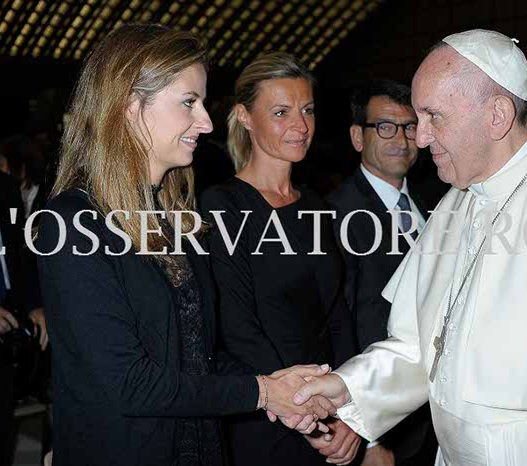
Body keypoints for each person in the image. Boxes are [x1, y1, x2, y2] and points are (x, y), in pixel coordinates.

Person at [293, 29, 527, 465]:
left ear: (497, 115)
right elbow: (426, 346)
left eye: (433, 117)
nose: (419, 139)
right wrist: (349, 387)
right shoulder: (457, 200)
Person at [36, 24, 333, 466]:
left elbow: (200, 357)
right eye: (189, 103)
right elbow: (127, 383)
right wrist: (263, 391)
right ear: (132, 106)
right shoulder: (73, 223)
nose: (208, 122)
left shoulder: (178, 219)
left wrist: (280, 392)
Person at [200, 52, 361, 466]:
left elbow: (338, 314)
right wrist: (301, 408)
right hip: (265, 414)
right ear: (245, 117)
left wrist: (348, 403)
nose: (301, 125)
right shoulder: (222, 205)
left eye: (307, 110)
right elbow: (237, 327)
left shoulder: (317, 206)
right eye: (281, 111)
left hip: (327, 408)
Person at [326, 80, 436, 466]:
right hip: (383, 424)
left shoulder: (432, 202)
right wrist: (368, 433)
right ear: (358, 137)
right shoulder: (336, 216)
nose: (401, 140)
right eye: (385, 127)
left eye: (410, 127)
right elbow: (341, 326)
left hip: (434, 414)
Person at [0, 108, 48, 466]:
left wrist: (36, 304)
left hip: (9, 327)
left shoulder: (3, 186)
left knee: (2, 432)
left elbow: (21, 255)